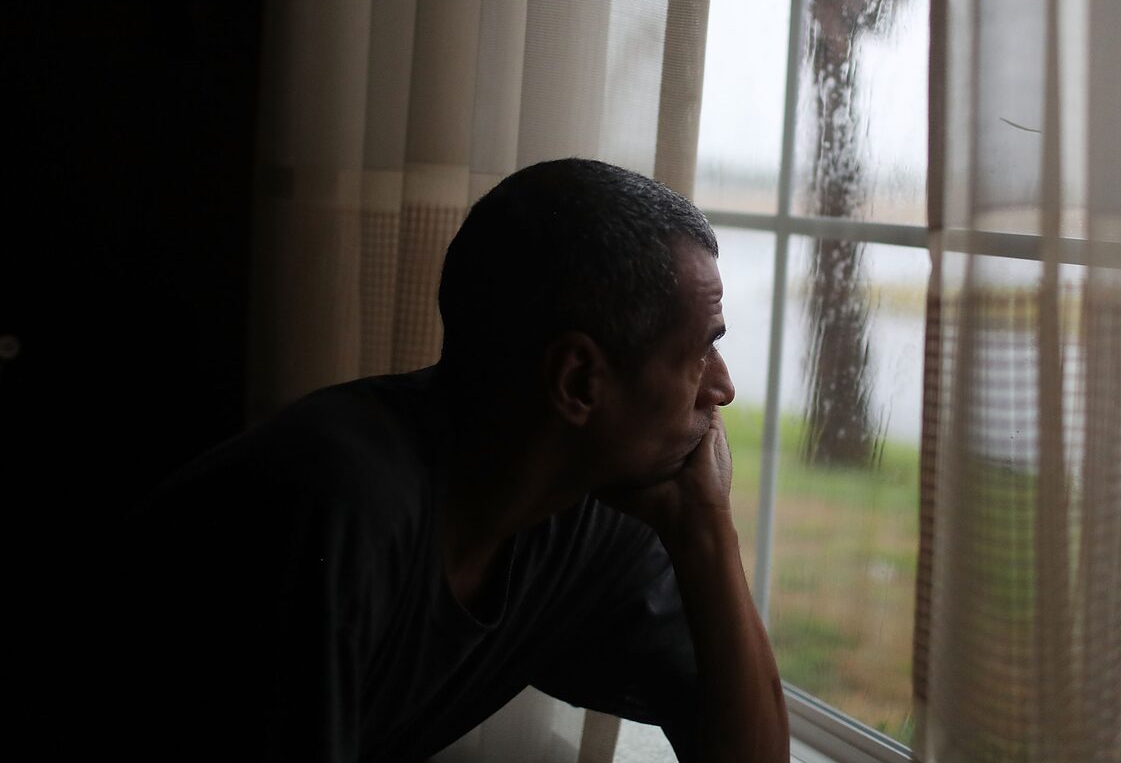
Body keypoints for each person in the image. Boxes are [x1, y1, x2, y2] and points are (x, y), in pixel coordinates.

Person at [115, 159, 788, 761]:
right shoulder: (335, 504)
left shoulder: (585, 513)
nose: (721, 387)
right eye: (702, 349)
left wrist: (705, 530)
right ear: (579, 381)